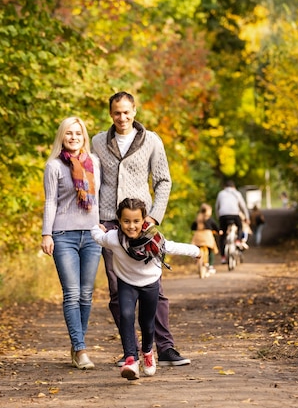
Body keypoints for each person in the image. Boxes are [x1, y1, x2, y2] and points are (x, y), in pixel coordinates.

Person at [91, 91, 191, 367]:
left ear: (134, 111)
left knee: (154, 287)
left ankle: (165, 347)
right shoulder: (99, 142)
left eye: (126, 112)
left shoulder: (151, 141)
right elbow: (92, 181)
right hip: (111, 221)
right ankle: (131, 351)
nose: (121, 117)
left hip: (143, 223)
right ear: (110, 114)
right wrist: (94, 218)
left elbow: (163, 181)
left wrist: (155, 217)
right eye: (116, 113)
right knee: (116, 289)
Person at [91, 198, 200, 380]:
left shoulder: (154, 239)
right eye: (126, 221)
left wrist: (196, 251)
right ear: (119, 221)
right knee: (126, 315)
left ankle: (148, 352)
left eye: (136, 221)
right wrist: (97, 227)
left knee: (147, 323)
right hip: (127, 282)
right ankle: (131, 360)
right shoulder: (113, 238)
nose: (131, 226)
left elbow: (173, 247)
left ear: (144, 221)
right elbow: (98, 237)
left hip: (150, 284)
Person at [41, 116, 102, 370]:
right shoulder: (53, 166)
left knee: (87, 295)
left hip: (92, 235)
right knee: (72, 294)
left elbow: (101, 196)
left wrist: (102, 224)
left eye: (78, 133)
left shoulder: (94, 163)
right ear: (62, 137)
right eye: (69, 133)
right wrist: (46, 234)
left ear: (84, 137)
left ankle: (78, 344)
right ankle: (80, 348)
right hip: (63, 236)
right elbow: (50, 202)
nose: (74, 137)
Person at [215, 180, 250, 264]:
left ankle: (223, 257)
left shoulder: (221, 193)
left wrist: (218, 217)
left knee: (222, 235)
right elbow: (243, 206)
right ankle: (238, 240)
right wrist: (247, 218)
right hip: (235, 214)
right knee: (240, 226)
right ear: (233, 186)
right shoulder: (237, 193)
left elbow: (217, 207)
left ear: (225, 187)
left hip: (223, 216)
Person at [190, 203, 220, 275]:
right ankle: (211, 266)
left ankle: (196, 259)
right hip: (207, 236)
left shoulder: (198, 218)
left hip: (198, 237)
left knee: (197, 248)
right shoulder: (209, 219)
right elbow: (215, 226)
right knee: (211, 249)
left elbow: (192, 227)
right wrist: (219, 231)